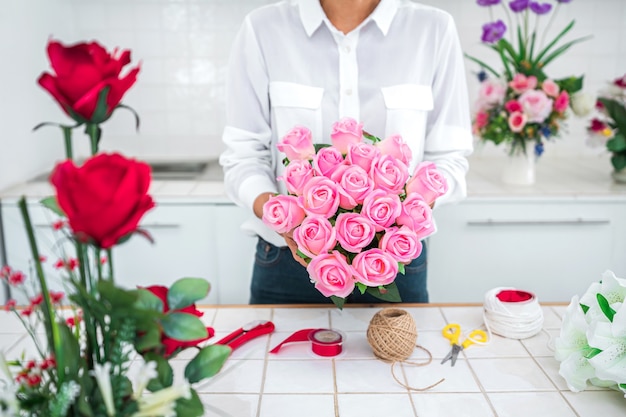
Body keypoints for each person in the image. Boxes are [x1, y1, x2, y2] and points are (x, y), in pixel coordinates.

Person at [219, 0, 473, 304]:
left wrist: (401, 216)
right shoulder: (263, 28)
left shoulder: (433, 29)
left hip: (395, 263)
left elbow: (450, 157)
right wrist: (284, 217)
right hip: (287, 263)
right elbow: (243, 154)